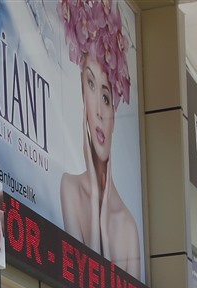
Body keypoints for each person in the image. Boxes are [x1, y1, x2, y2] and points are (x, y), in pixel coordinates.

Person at [56, 0, 141, 273]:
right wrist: (95, 203)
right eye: (90, 85)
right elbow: (81, 286)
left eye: (106, 97)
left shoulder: (128, 227)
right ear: (83, 96)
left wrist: (103, 219)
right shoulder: (70, 188)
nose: (98, 112)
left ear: (115, 112)